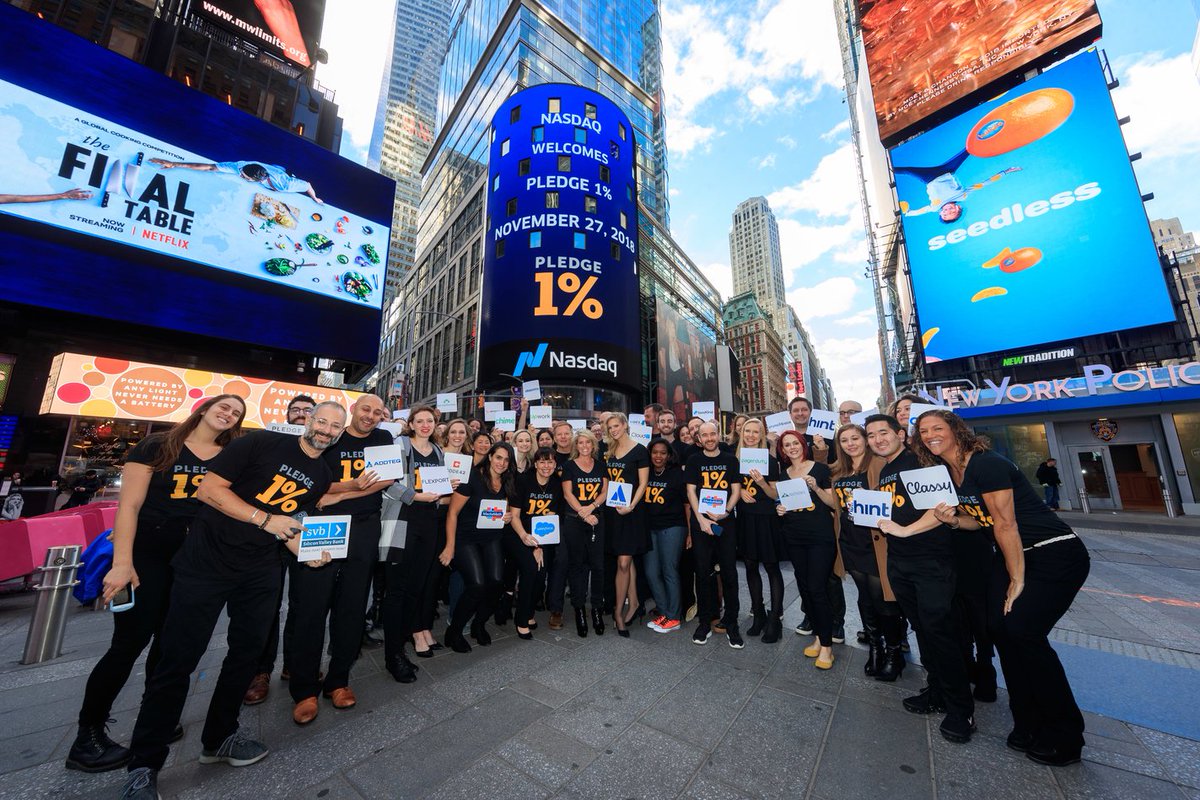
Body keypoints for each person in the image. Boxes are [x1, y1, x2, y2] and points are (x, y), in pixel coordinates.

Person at [119, 404, 343, 798]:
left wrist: (307, 549)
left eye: (334, 427)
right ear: (308, 421)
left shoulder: (323, 473)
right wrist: (264, 520)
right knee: (178, 659)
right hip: (206, 563)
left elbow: (288, 524)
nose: (326, 430)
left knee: (247, 655)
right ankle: (143, 763)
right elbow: (208, 489)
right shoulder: (261, 442)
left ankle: (219, 738)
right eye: (322, 421)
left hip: (260, 571)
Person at [67, 395, 245, 773]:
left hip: (195, 560)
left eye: (236, 414)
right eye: (225, 406)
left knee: (171, 646)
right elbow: (128, 506)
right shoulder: (158, 445)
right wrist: (122, 563)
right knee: (127, 645)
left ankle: (157, 718)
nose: (228, 414)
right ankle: (88, 735)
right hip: (148, 556)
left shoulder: (232, 455)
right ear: (204, 408)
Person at [911, 410, 1090, 765]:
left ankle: (1066, 734)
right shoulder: (949, 473)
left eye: (938, 428)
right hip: (1011, 555)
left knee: (1024, 632)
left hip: (1052, 554)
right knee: (1000, 631)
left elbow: (1006, 525)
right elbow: (979, 523)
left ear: (956, 431)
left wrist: (1017, 579)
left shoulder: (985, 464)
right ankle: (1027, 721)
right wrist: (953, 521)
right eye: (924, 431)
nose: (930, 435)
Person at [283, 395, 393, 725]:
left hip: (364, 528)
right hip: (321, 527)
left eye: (377, 411)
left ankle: (339, 681)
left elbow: (385, 481)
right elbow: (309, 488)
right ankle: (304, 690)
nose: (370, 416)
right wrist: (350, 486)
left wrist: (336, 494)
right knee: (311, 607)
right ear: (352, 412)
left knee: (352, 605)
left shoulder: (383, 438)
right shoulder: (330, 438)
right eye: (365, 410)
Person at [868, 414, 975, 744]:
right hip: (901, 562)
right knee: (924, 631)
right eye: (871, 435)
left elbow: (940, 508)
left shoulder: (920, 460)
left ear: (900, 434)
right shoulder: (886, 470)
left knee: (940, 632)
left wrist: (906, 530)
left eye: (883, 432)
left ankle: (961, 710)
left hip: (931, 561)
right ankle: (937, 691)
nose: (877, 439)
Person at [830, 423, 904, 681]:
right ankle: (875, 646)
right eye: (844, 440)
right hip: (850, 541)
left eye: (855, 438)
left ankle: (895, 652)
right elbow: (836, 504)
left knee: (883, 599)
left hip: (875, 542)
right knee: (865, 597)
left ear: (865, 440)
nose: (850, 444)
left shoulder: (879, 465)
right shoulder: (839, 471)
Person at [379, 405, 447, 679]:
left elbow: (437, 488)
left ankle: (401, 644)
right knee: (396, 589)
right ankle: (393, 655)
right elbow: (385, 481)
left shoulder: (438, 451)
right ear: (411, 423)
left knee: (415, 588)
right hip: (402, 521)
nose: (425, 425)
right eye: (419, 420)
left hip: (429, 523)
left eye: (430, 420)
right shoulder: (399, 445)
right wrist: (415, 496)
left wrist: (446, 486)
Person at [440, 442, 518, 653]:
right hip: (466, 538)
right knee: (476, 584)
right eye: (499, 457)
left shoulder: (508, 481)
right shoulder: (473, 477)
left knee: (496, 582)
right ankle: (454, 631)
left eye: (507, 460)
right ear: (490, 456)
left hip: (492, 537)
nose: (502, 463)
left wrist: (507, 516)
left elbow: (505, 511)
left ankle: (479, 623)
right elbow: (452, 513)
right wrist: (450, 546)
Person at [775, 431, 839, 668]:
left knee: (817, 588)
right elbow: (786, 504)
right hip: (794, 536)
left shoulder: (820, 470)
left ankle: (827, 646)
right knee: (804, 587)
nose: (792, 448)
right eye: (786, 445)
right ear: (782, 450)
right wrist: (780, 509)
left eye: (795, 443)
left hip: (820, 537)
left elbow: (834, 504)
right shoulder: (784, 475)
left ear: (803, 445)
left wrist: (817, 488)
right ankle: (818, 638)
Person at [685, 421, 743, 648]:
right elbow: (690, 491)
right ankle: (705, 621)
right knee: (702, 572)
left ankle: (732, 621)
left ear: (718, 435)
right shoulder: (693, 460)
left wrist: (725, 512)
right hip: (701, 524)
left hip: (725, 524)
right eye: (704, 435)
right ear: (699, 438)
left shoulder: (730, 459)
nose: (709, 438)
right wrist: (701, 519)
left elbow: (736, 490)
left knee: (729, 572)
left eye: (712, 434)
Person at [735, 419, 784, 643]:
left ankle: (775, 618)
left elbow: (775, 494)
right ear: (742, 433)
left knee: (772, 567)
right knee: (751, 565)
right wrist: (740, 491)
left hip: (767, 519)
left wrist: (762, 483)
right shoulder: (734, 460)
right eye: (748, 431)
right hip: (745, 519)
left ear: (762, 435)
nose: (751, 435)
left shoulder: (771, 461)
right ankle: (758, 614)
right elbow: (727, 487)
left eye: (756, 432)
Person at [603, 413, 650, 637]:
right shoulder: (610, 452)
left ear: (625, 425)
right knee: (626, 559)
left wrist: (631, 506)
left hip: (632, 513)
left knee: (623, 562)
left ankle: (619, 612)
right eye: (609, 427)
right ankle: (634, 603)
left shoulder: (640, 450)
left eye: (616, 426)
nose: (613, 430)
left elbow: (643, 484)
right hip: (613, 513)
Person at [560, 429, 607, 637]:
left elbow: (605, 491)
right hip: (575, 521)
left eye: (588, 443)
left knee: (598, 566)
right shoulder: (569, 466)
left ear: (593, 445)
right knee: (577, 566)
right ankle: (579, 609)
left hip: (597, 520)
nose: (584, 446)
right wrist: (583, 512)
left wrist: (593, 506)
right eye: (580, 443)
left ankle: (596, 608)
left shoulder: (601, 465)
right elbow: (567, 493)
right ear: (575, 446)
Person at [643, 438, 688, 633]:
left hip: (673, 527)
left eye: (662, 453)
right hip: (650, 528)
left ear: (669, 455)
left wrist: (689, 532)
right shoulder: (645, 473)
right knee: (651, 572)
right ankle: (663, 611)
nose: (658, 456)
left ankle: (674, 616)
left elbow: (687, 504)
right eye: (655, 452)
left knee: (669, 570)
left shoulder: (677, 474)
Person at [521, 448, 566, 630]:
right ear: (536, 463)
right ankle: (527, 611)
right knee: (537, 573)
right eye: (542, 462)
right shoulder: (524, 480)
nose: (546, 466)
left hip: (548, 535)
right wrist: (533, 545)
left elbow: (559, 514)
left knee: (552, 566)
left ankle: (550, 608)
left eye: (550, 462)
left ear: (555, 464)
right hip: (525, 535)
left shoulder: (558, 484)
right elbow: (519, 514)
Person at [148, 158, 323, 204]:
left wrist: (314, 198)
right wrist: (174, 164)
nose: (240, 176)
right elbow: (209, 167)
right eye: (241, 175)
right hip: (268, 172)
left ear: (257, 180)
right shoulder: (240, 166)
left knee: (281, 169)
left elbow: (307, 185)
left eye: (244, 178)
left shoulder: (285, 184)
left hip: (282, 174)